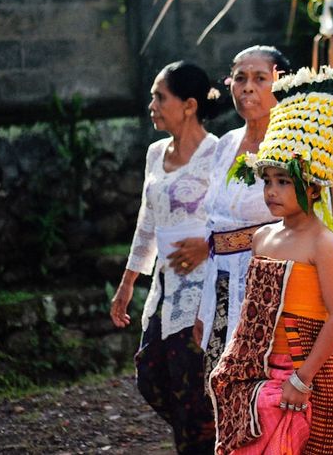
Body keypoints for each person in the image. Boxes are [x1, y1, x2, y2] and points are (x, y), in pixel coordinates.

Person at [209, 66, 333, 454]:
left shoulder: (322, 242)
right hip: (261, 370)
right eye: (268, 181)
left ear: (311, 187)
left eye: (284, 182)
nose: (272, 192)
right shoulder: (263, 237)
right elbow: (252, 315)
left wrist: (303, 378)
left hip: (304, 372)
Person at [109, 61, 221, 454]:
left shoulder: (218, 153)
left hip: (204, 285)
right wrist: (128, 283)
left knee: (188, 381)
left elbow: (232, 218)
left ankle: (205, 441)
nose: (151, 105)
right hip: (164, 283)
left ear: (189, 105)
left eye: (160, 97)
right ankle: (213, 435)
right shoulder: (156, 153)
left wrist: (206, 243)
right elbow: (147, 220)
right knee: (151, 375)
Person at [194, 45, 292, 380]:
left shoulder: (293, 147)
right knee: (219, 385)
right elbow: (213, 229)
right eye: (240, 78)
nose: (247, 87)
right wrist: (205, 306)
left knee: (262, 391)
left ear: (280, 85)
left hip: (272, 289)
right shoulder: (225, 145)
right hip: (221, 284)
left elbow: (314, 224)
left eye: (259, 78)